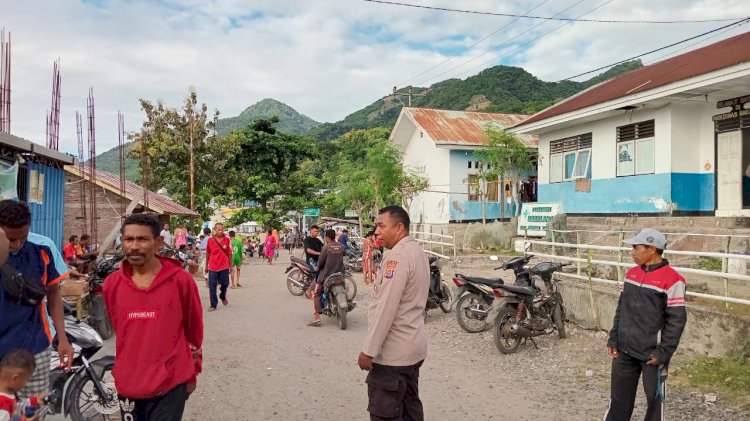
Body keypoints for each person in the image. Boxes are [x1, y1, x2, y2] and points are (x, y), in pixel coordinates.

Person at [103, 213, 203, 420]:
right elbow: (121, 330)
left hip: (171, 382)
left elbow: (194, 332)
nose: (134, 246)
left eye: (142, 239)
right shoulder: (112, 284)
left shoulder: (181, 281)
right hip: (128, 383)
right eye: (128, 239)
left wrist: (193, 372)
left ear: (158, 242)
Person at [605, 228, 687, 421]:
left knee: (654, 403)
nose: (632, 252)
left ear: (652, 249)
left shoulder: (673, 280)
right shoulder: (631, 274)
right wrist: (614, 338)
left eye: (636, 247)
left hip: (652, 355)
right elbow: (621, 308)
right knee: (618, 400)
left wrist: (663, 352)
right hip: (624, 351)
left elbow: (676, 321)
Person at [358, 205, 428, 421]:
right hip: (412, 350)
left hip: (392, 358)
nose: (376, 231)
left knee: (385, 414)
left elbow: (386, 309)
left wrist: (368, 351)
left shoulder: (396, 258)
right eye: (376, 226)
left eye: (381, 225)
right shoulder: (418, 251)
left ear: (399, 228)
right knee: (410, 411)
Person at [0, 200, 73, 405]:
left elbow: (54, 294)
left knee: (33, 409)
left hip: (34, 350)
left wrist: (63, 337)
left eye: (22, 238)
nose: (16, 245)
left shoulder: (42, 248)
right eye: (10, 239)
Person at [307, 229, 346, 327]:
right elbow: (344, 253)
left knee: (316, 294)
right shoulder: (341, 246)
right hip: (340, 274)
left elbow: (320, 262)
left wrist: (318, 269)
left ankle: (317, 319)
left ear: (327, 237)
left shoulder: (326, 247)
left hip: (327, 276)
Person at [0, 349, 46, 420]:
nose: (26, 383)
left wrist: (34, 400)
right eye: (27, 379)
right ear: (15, 379)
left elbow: (14, 407)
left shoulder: (7, 392)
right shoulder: (3, 407)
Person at [205, 223, 231, 312]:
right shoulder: (210, 240)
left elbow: (229, 253)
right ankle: (213, 305)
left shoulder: (227, 240)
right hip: (213, 266)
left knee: (225, 284)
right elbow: (208, 253)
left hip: (224, 265)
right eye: (218, 229)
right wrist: (206, 265)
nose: (220, 231)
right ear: (215, 230)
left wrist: (230, 266)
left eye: (221, 229)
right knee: (212, 286)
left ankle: (222, 295)